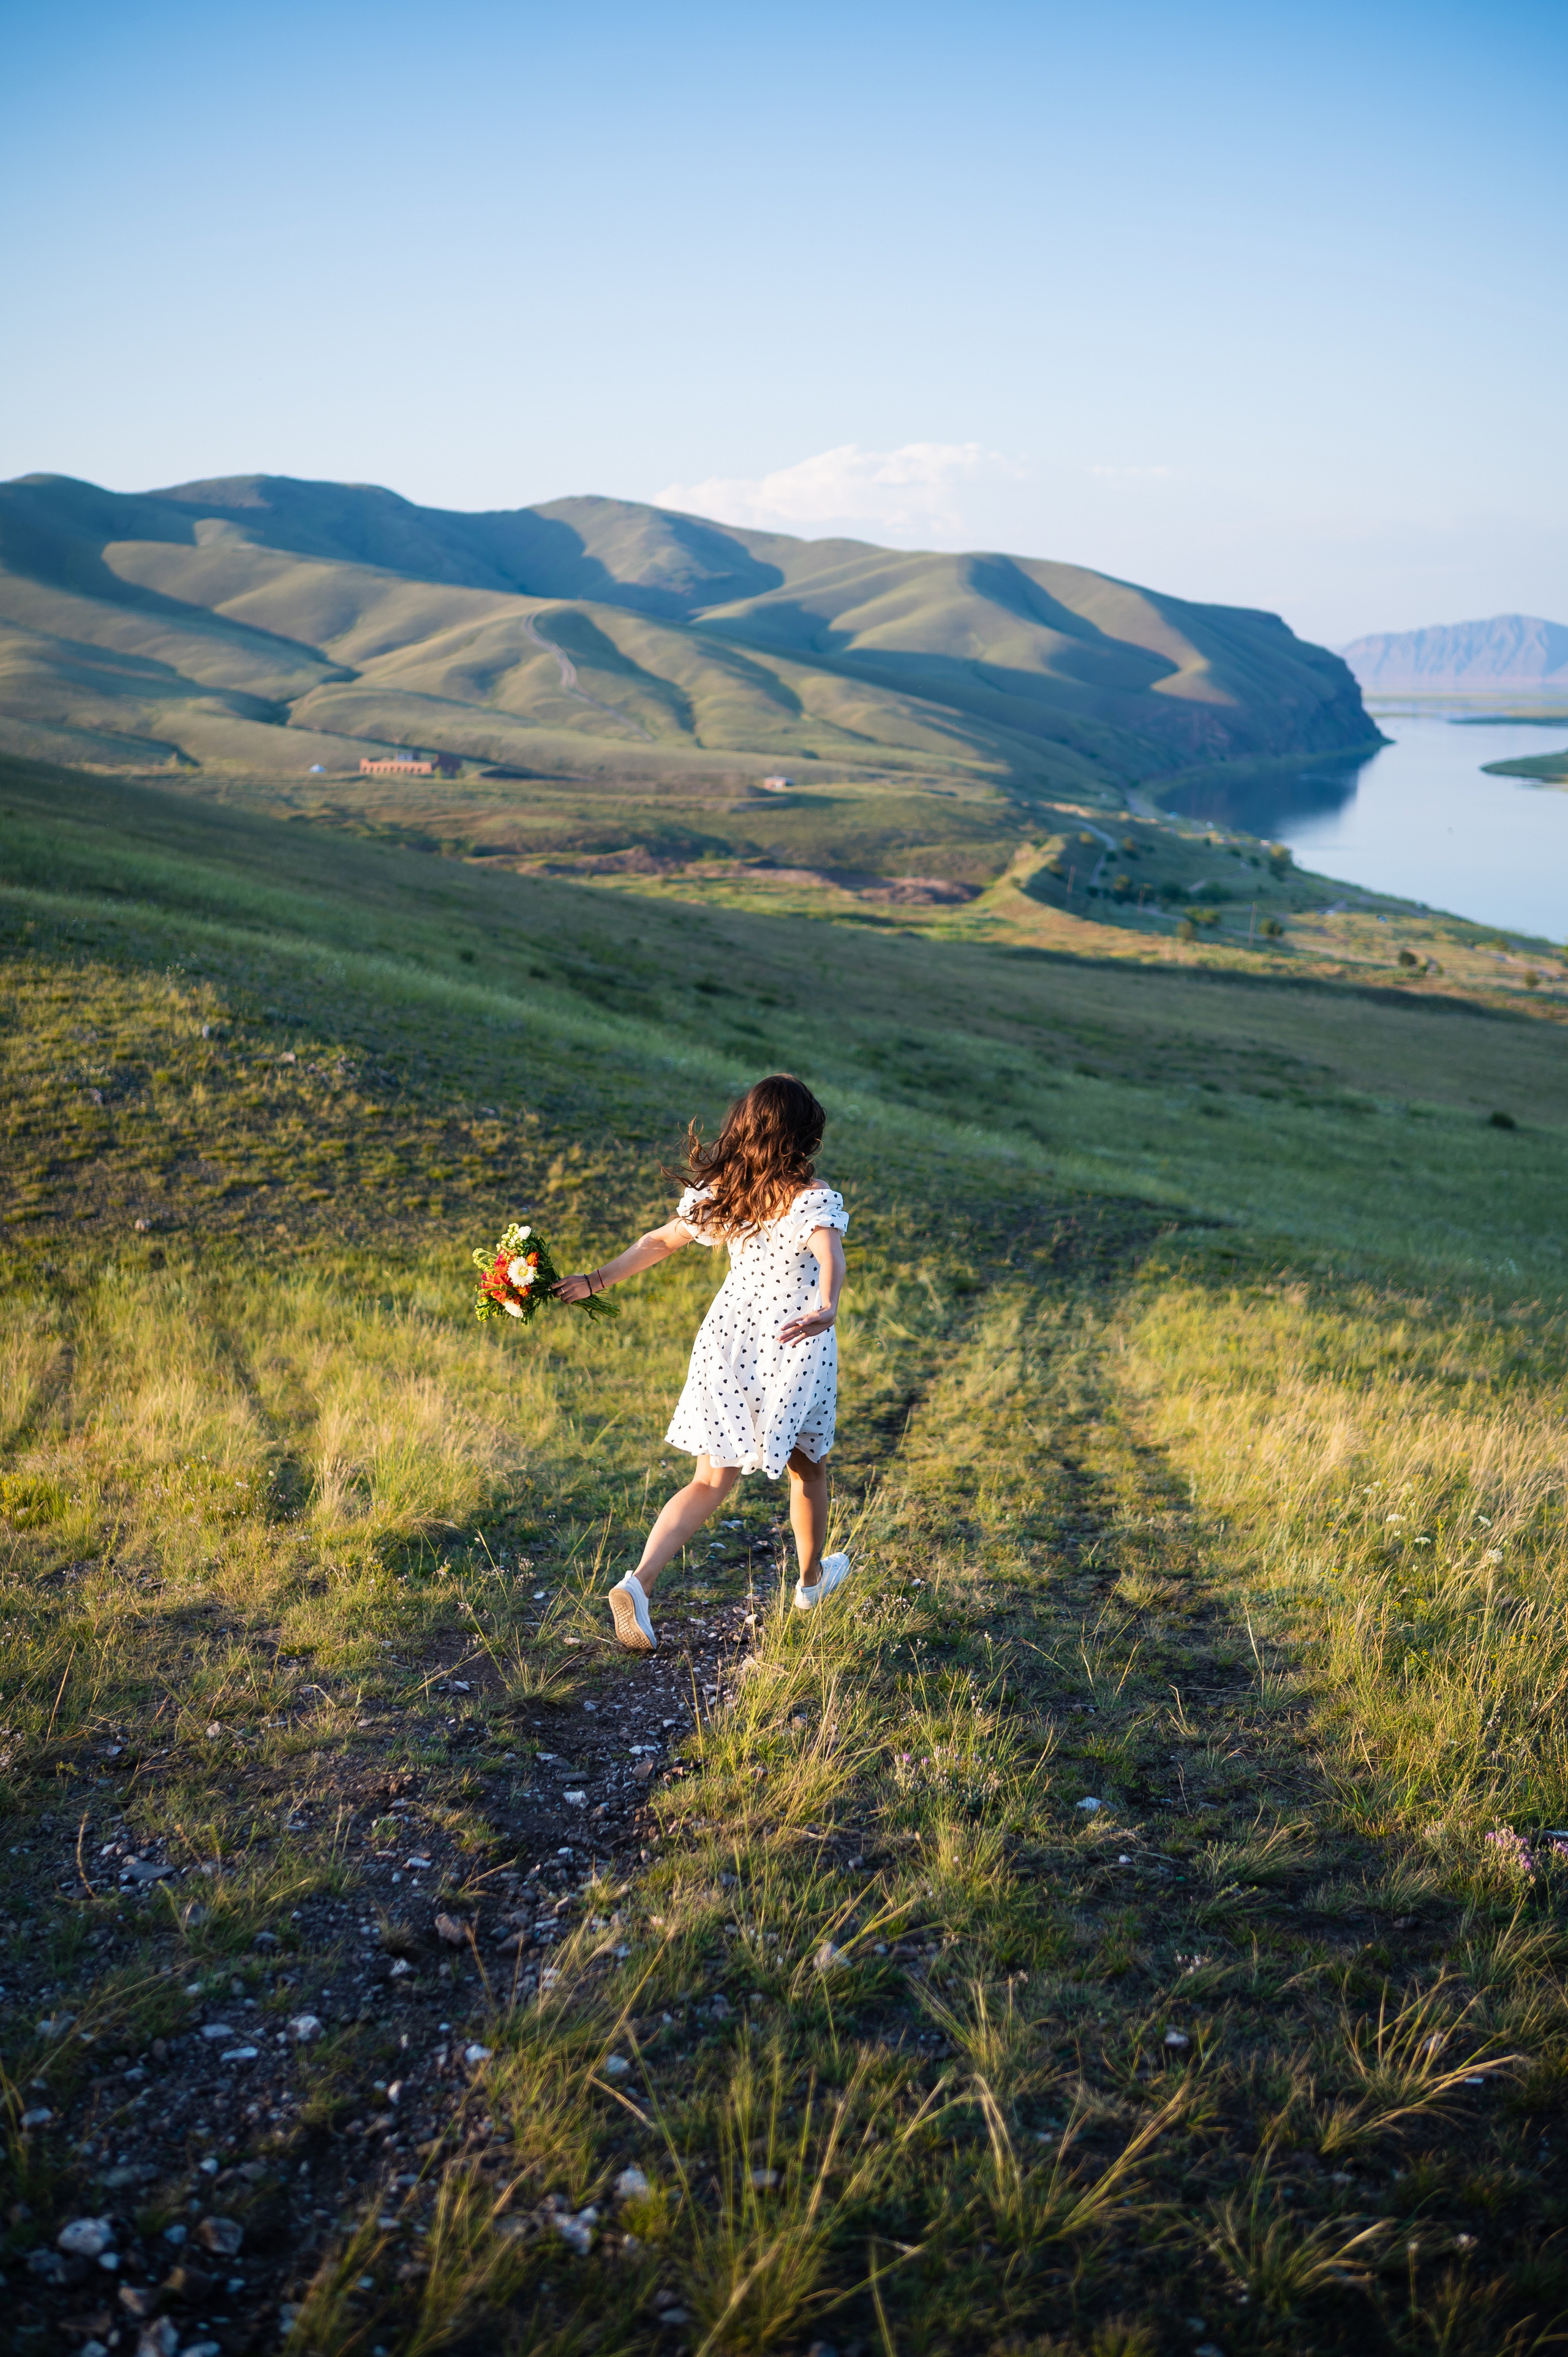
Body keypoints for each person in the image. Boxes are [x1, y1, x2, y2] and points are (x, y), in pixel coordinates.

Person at [554, 1073, 850, 1652]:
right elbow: (828, 1255)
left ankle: (637, 1583)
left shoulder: (725, 1194)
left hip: (728, 1342)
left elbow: (659, 1241)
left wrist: (595, 1280)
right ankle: (812, 1582)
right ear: (804, 1135)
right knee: (807, 1467)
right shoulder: (815, 1197)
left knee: (710, 1479)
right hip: (792, 1347)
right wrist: (827, 1307)